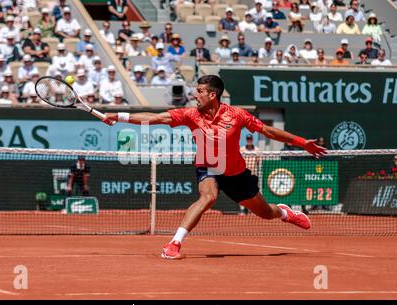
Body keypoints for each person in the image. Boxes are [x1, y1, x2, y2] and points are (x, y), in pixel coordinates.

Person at [105, 75, 326, 259]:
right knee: (207, 198)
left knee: (266, 213)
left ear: (213, 94)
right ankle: (174, 244)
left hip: (236, 173)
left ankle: (285, 212)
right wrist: (119, 117)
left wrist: (302, 142)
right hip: (207, 167)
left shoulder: (237, 115)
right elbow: (155, 119)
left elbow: (268, 132)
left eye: (199, 91)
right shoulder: (191, 114)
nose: (195, 95)